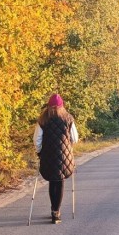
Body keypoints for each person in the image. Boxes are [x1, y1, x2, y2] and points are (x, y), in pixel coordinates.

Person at [33, 93, 78, 224]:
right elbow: (74, 138)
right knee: (60, 181)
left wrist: (39, 152)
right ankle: (56, 212)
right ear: (61, 106)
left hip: (48, 155)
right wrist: (68, 146)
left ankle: (53, 210)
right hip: (65, 156)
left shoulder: (43, 120)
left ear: (48, 105)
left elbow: (37, 140)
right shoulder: (68, 119)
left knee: (53, 181)